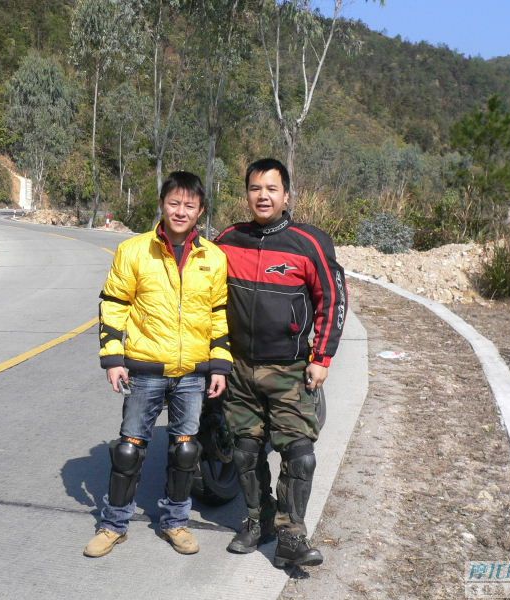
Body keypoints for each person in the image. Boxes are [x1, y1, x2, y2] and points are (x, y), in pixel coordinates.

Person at [84, 171, 232, 558]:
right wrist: (113, 358)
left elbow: (219, 314)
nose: (180, 211)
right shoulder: (134, 251)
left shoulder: (213, 257)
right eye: (174, 203)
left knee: (186, 450)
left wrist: (219, 364)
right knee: (129, 449)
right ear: (162, 204)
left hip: (192, 373)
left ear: (200, 210)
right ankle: (114, 523)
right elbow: (114, 304)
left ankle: (175, 522)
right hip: (146, 368)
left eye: (189, 205)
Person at [215, 158, 346, 568]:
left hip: (290, 369)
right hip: (239, 368)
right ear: (247, 193)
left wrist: (321, 358)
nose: (263, 196)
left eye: (272, 189)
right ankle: (259, 520)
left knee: (299, 454)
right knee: (245, 452)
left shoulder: (309, 243)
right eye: (256, 188)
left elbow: (333, 300)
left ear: (286, 195)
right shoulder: (228, 240)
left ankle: (292, 534)